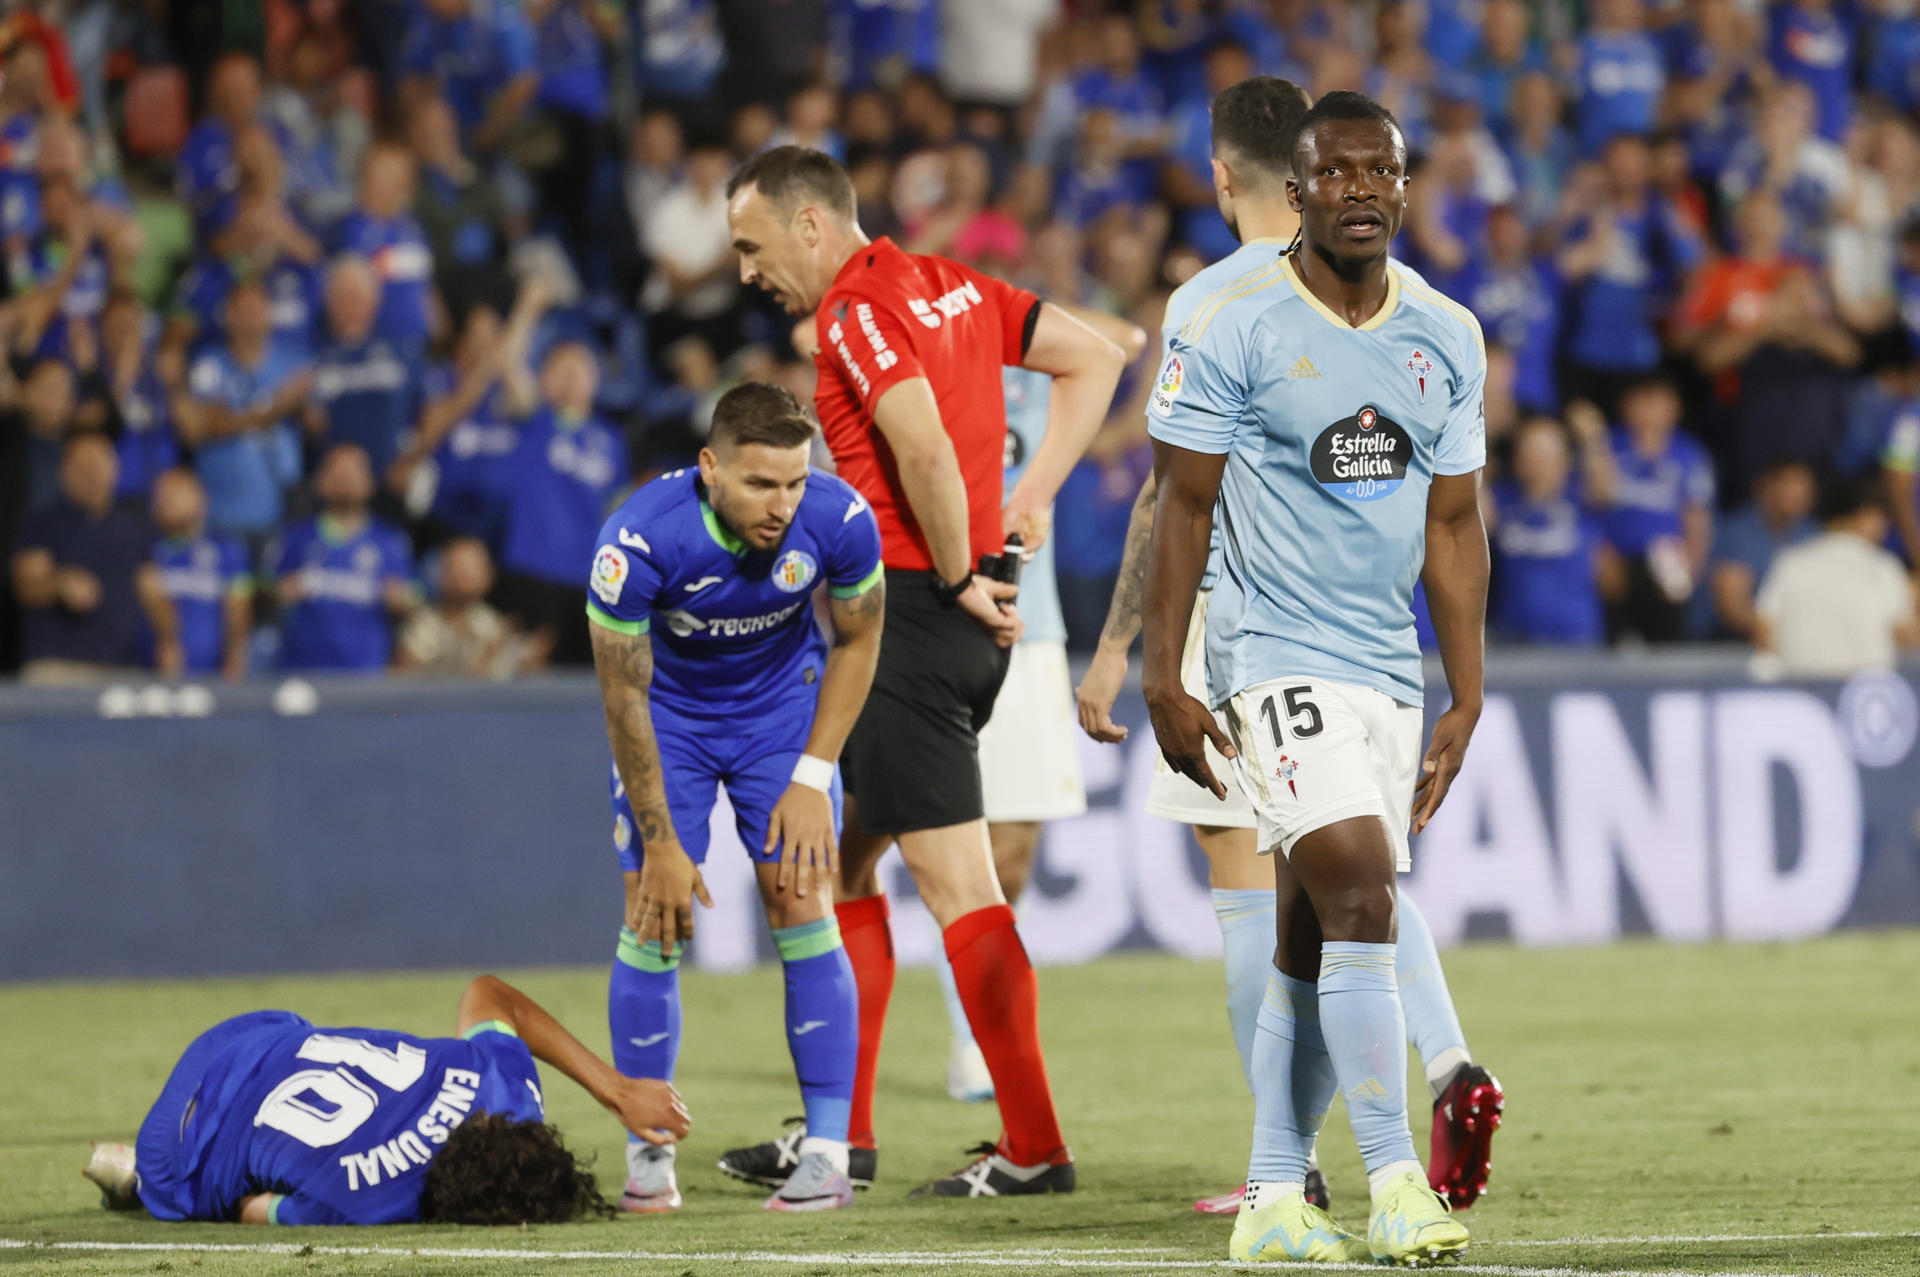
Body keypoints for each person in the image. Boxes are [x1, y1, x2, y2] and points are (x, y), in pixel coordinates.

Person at [1073, 76, 1502, 1226]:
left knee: (1309, 932)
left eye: (1382, 172)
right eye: (1338, 173)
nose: (1361, 190)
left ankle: (1272, 1189)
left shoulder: (1446, 335)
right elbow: (1180, 502)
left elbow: (1455, 523)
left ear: (1406, 189)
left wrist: (1468, 689)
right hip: (1266, 654)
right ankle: (1396, 1177)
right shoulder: (1228, 319)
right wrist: (1161, 666)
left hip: (1384, 660)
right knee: (1359, 886)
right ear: (1296, 191)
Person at [720, 145, 1126, 1197]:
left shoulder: (857, 309)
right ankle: (837, 1134)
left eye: (754, 245)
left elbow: (927, 449)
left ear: (813, 224)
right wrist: (1030, 498)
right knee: (836, 869)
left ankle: (1033, 1145)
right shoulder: (952, 285)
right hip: (938, 624)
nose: (747, 270)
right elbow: (1099, 357)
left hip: (907, 623)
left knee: (957, 887)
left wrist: (955, 579)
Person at [585, 382, 884, 1212]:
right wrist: (663, 845)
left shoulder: (841, 518)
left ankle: (827, 1151)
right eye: (760, 484)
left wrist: (813, 776)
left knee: (801, 898)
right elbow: (623, 699)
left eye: (794, 481)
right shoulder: (639, 541)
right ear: (710, 468)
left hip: (779, 713)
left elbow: (860, 639)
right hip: (667, 722)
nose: (782, 505)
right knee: (654, 913)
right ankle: (649, 1154)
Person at [80, 974, 688, 1225]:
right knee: (208, 1193)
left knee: (307, 1040)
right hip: (175, 1144)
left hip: (254, 1033)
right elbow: (256, 1208)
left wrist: (617, 1090)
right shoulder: (373, 1204)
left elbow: (488, 992)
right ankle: (136, 1178)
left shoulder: (502, 1085)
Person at [496, 340, 627, 667]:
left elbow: (619, 508)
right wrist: (531, 304)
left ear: (596, 380)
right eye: (560, 368)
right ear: (544, 378)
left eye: (580, 369)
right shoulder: (532, 421)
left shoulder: (611, 439)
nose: (571, 377)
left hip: (588, 579)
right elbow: (507, 360)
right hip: (532, 570)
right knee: (528, 673)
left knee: (585, 684)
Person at [10, 431, 178, 683]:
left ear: (116, 469)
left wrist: (168, 640)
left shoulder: (133, 527)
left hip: (123, 669)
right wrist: (58, 584)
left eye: (99, 463)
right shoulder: (42, 522)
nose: (92, 474)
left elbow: (152, 590)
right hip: (58, 670)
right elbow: (25, 585)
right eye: (82, 466)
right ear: (63, 472)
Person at [175, 279, 310, 551]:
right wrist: (276, 407)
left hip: (279, 513)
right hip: (220, 515)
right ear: (228, 316)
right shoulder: (209, 365)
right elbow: (202, 428)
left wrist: (306, 409)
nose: (250, 318)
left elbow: (316, 426)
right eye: (242, 310)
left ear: (269, 315)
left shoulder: (293, 361)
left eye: (257, 309)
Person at [269, 443, 419, 673]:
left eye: (355, 472)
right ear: (320, 482)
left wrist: (402, 600)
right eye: (338, 472)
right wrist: (280, 593)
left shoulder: (391, 542)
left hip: (366, 672)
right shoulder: (295, 538)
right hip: (303, 670)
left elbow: (414, 602)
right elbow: (265, 594)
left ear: (370, 482)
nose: (347, 480)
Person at [1756, 476, 1920, 677]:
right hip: (1861, 697)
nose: (1884, 528)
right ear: (1866, 515)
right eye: (1882, 518)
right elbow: (1908, 637)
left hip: (1802, 692)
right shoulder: (1883, 568)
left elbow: (1764, 631)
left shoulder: (1791, 562)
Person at [308, 255, 423, 480]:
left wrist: (412, 459)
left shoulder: (403, 353)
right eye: (343, 299)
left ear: (375, 301)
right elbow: (307, 421)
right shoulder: (311, 356)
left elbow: (431, 410)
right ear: (327, 301)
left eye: (358, 298)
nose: (351, 308)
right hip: (332, 487)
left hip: (391, 481)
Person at [149, 468, 253, 680]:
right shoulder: (146, 550)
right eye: (160, 493)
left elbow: (238, 604)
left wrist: (235, 654)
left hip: (212, 673)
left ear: (201, 499)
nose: (167, 498)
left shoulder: (227, 549)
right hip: (149, 673)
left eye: (177, 491)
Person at [394, 537, 539, 678]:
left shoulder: (494, 626)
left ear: (489, 574)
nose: (462, 575)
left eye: (471, 567)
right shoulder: (423, 625)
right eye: (455, 567)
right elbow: (406, 677)